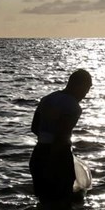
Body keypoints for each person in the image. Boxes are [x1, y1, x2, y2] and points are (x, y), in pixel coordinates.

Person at [29, 69, 92, 202]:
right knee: (61, 204)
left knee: (43, 202)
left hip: (38, 154)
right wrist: (53, 161)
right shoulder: (74, 107)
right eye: (86, 89)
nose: (85, 94)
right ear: (78, 85)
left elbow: (35, 128)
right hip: (59, 158)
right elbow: (61, 136)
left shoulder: (47, 99)